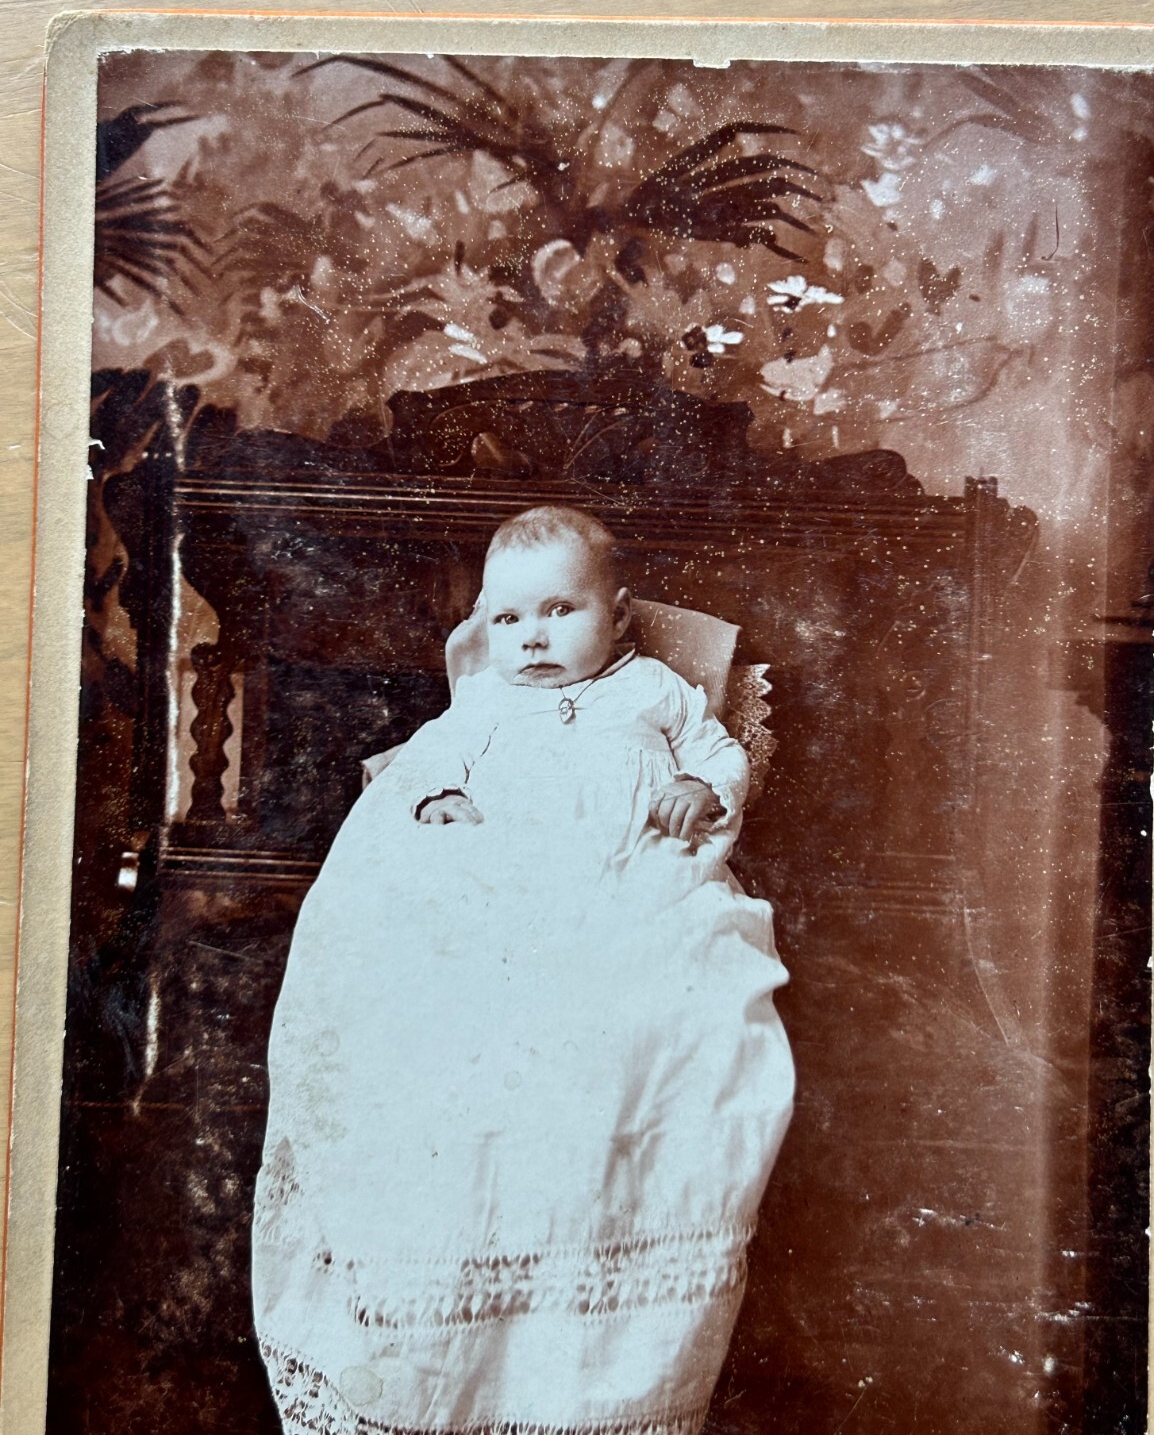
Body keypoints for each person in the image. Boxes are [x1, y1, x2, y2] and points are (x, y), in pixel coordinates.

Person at [252, 505, 795, 1435]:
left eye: (559, 611)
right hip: (503, 883)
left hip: (623, 881)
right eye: (508, 620)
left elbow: (720, 757)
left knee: (673, 983)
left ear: (618, 615)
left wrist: (697, 787)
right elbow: (424, 766)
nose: (533, 638)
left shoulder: (656, 692)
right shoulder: (488, 703)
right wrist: (443, 798)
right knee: (455, 974)